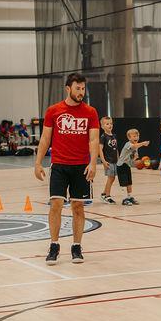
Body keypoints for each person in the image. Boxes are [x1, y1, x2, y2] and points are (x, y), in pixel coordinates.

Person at [34, 72, 100, 265]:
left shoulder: (90, 112)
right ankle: (54, 245)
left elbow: (94, 139)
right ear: (68, 89)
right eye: (78, 88)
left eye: (83, 88)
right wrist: (38, 163)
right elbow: (45, 138)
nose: (81, 92)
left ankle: (76, 247)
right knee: (56, 204)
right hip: (59, 165)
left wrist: (93, 163)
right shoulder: (53, 111)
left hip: (81, 166)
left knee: (77, 206)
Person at [117, 128, 149, 206]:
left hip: (127, 165)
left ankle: (130, 197)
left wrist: (140, 163)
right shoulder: (128, 144)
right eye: (134, 136)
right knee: (123, 183)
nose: (136, 138)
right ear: (129, 138)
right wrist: (143, 143)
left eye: (137, 136)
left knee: (129, 183)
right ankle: (124, 199)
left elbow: (133, 159)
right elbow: (134, 146)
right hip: (121, 166)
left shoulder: (136, 147)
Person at [99, 116, 119, 204]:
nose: (110, 125)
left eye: (111, 123)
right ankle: (107, 196)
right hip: (108, 161)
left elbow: (116, 149)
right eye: (107, 124)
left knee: (112, 178)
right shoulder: (103, 137)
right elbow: (100, 149)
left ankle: (104, 193)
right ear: (102, 126)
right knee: (110, 178)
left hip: (115, 160)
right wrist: (103, 161)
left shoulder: (114, 136)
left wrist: (118, 159)